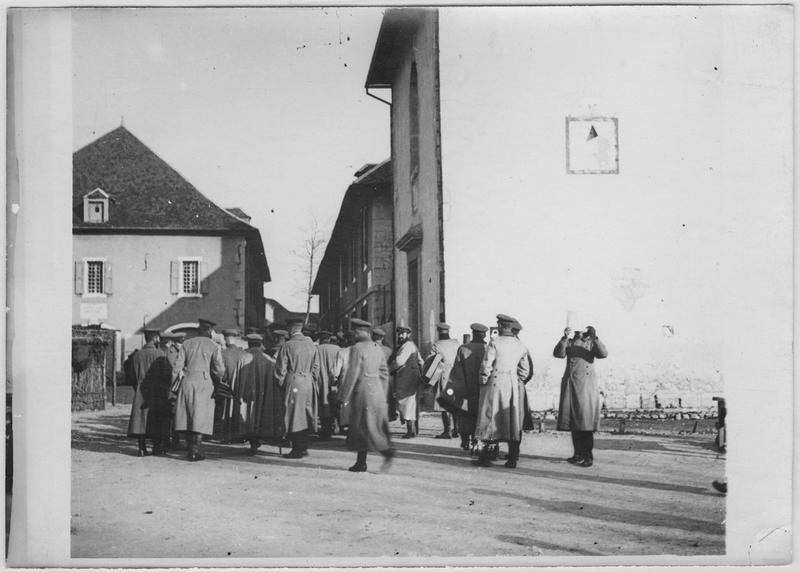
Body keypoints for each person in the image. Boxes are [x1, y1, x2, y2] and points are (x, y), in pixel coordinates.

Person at [473, 314, 531, 469]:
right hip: (512, 384)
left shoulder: (495, 342)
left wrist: (483, 380)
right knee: (512, 422)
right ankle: (512, 459)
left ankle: (486, 457)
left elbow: (487, 364)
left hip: (495, 383)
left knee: (490, 419)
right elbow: (525, 370)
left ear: (500, 326)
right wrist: (517, 379)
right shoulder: (520, 345)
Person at [337, 319, 394, 472]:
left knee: (362, 427)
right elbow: (384, 373)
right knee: (368, 426)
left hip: (362, 391)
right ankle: (362, 461)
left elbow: (353, 373)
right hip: (376, 391)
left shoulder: (357, 348)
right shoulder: (378, 348)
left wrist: (343, 396)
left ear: (362, 332)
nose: (354, 334)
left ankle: (379, 455)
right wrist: (383, 393)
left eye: (355, 331)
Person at [553, 325, 608, 468]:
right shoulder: (569, 341)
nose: (578, 332)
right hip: (571, 385)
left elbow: (603, 354)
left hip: (585, 386)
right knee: (573, 421)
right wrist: (564, 337)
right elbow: (558, 354)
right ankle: (578, 454)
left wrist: (595, 337)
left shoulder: (590, 342)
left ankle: (588, 456)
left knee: (585, 422)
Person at [173, 318, 225, 461]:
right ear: (209, 331)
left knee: (188, 416)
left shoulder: (186, 344)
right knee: (200, 417)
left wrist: (174, 386)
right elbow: (219, 369)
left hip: (187, 382)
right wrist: (219, 382)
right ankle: (196, 450)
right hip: (205, 383)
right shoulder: (214, 346)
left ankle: (191, 449)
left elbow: (176, 368)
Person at [274, 318, 320, 458]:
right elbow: (316, 368)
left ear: (291, 329)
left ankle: (297, 449)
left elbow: (280, 370)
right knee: (305, 414)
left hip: (294, 381)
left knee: (293, 415)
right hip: (308, 382)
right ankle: (303, 447)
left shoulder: (287, 345)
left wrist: (282, 384)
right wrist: (311, 379)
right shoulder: (312, 345)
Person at [126, 329, 173, 456]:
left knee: (140, 420)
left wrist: (138, 387)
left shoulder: (137, 355)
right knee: (158, 419)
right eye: (158, 337)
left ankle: (142, 448)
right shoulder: (160, 354)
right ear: (155, 338)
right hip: (157, 391)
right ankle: (157, 448)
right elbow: (168, 374)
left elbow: (131, 375)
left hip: (141, 390)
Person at [445, 323, 488, 451]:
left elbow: (456, 371)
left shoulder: (463, 349)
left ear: (472, 333)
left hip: (466, 388)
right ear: (484, 334)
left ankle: (465, 441)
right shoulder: (488, 348)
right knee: (480, 414)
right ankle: (477, 440)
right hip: (483, 388)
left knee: (464, 415)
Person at [236, 333, 280, 454]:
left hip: (246, 394)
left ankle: (252, 442)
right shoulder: (269, 360)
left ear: (249, 344)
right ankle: (257, 440)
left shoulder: (242, 358)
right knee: (260, 416)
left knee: (248, 416)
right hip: (263, 395)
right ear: (260, 344)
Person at [425, 323, 461, 439]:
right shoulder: (456, 343)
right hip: (455, 377)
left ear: (438, 332)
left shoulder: (437, 345)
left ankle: (447, 431)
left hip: (443, 375)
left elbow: (430, 361)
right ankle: (456, 429)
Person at [389, 326, 423, 439]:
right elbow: (420, 361)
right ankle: (413, 430)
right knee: (410, 404)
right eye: (399, 333)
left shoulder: (407, 346)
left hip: (406, 379)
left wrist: (389, 370)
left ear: (408, 334)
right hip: (411, 378)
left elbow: (399, 361)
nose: (400, 336)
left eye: (402, 334)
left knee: (406, 404)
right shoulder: (412, 345)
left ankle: (410, 431)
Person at [218, 329, 247, 444]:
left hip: (226, 387)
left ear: (225, 339)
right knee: (239, 410)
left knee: (225, 411)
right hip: (241, 388)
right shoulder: (243, 353)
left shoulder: (222, 353)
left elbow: (219, 372)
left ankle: (226, 436)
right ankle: (239, 435)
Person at [314, 331, 340, 439]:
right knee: (336, 404)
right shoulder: (338, 349)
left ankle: (326, 430)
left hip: (321, 381)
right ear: (329, 339)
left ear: (320, 339)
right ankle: (337, 426)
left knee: (324, 406)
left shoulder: (316, 349)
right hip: (335, 381)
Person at [163, 331, 186, 449]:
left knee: (176, 414)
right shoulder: (169, 352)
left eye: (181, 342)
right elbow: (171, 370)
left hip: (180, 387)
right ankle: (171, 440)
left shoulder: (183, 351)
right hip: (171, 387)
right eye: (178, 342)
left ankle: (175, 439)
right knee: (171, 415)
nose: (180, 345)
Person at [371, 328, 395, 420]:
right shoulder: (388, 350)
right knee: (387, 397)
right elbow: (393, 364)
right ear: (382, 338)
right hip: (386, 377)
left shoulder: (369, 349)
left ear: (373, 337)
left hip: (373, 377)